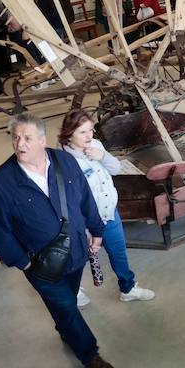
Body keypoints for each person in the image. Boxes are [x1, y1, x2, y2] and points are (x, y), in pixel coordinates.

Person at [0, 112, 115, 368]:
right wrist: (22, 261)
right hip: (39, 264)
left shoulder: (64, 161)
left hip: (77, 252)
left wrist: (97, 231)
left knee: (66, 300)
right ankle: (90, 354)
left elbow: (85, 200)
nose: (20, 144)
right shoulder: (1, 183)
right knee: (66, 306)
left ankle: (66, 330)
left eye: (28, 138)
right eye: (16, 137)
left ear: (42, 140)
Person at [57, 109, 155, 304]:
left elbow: (116, 169)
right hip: (84, 222)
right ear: (69, 134)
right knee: (78, 258)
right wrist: (86, 228)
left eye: (91, 130)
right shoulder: (63, 161)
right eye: (83, 132)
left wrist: (101, 155)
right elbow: (69, 200)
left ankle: (128, 288)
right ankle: (73, 292)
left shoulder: (95, 145)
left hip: (109, 213)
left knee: (119, 253)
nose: (89, 136)